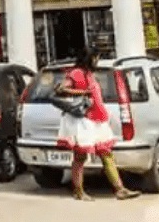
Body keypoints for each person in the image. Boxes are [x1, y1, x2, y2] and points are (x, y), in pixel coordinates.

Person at [56, 49, 139, 201]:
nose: (97, 61)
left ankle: (120, 189)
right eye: (96, 57)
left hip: (97, 119)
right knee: (80, 156)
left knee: (106, 153)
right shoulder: (77, 73)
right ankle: (79, 191)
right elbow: (61, 89)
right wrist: (83, 92)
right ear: (89, 58)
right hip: (84, 120)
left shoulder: (88, 73)